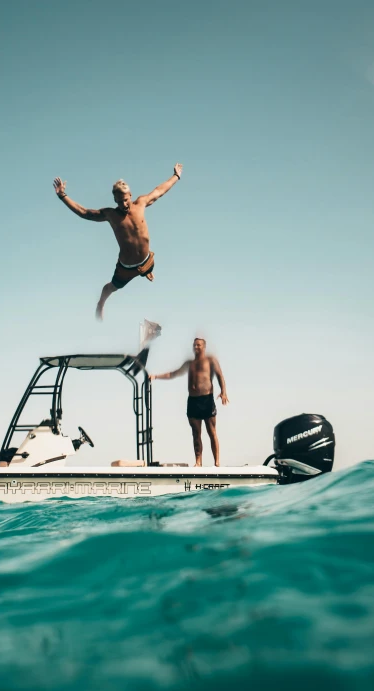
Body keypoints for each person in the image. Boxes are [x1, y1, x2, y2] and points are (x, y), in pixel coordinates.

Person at [52, 164, 183, 320]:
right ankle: (101, 303)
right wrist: (62, 195)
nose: (124, 204)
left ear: (131, 195)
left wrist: (176, 176)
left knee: (148, 267)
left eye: (126, 200)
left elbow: (159, 191)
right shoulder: (110, 214)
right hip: (126, 268)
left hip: (147, 260)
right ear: (115, 200)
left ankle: (146, 271)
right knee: (111, 288)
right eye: (119, 201)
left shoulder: (141, 203)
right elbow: (84, 213)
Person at [150, 338, 229, 467]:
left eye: (198, 345)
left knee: (212, 432)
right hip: (193, 401)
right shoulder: (189, 363)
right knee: (196, 433)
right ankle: (198, 462)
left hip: (207, 399)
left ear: (204, 346)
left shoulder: (211, 360)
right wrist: (156, 376)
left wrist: (224, 392)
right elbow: (173, 374)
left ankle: (217, 462)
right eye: (194, 345)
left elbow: (220, 375)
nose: (196, 347)